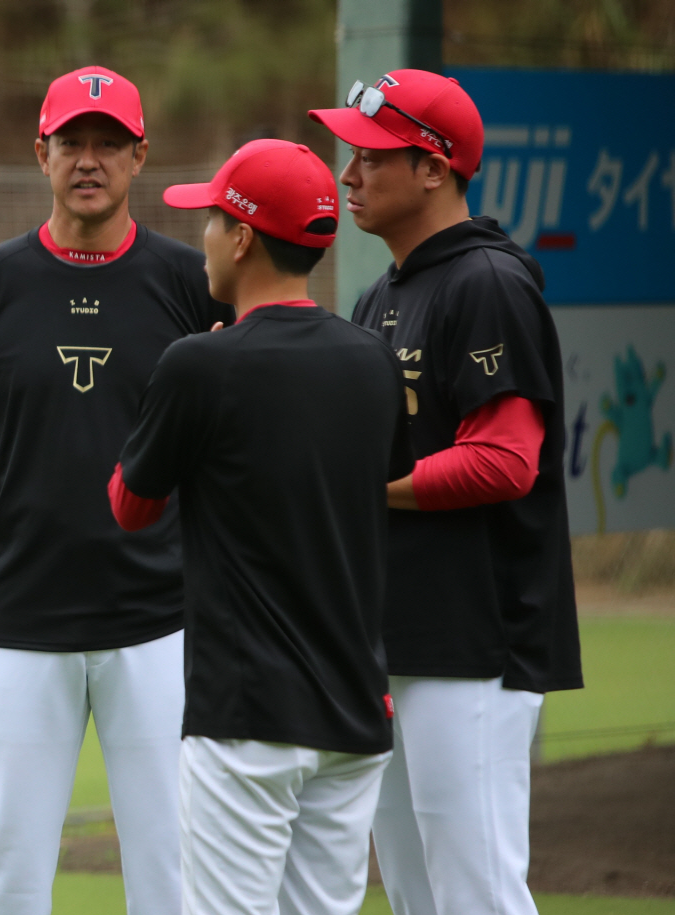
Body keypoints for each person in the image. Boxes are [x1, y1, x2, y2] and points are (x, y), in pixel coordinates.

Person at [0, 65, 233, 915]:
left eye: (109, 144)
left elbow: (223, 441)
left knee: (172, 872)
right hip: (24, 620)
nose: (89, 160)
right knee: (10, 877)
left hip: (164, 621)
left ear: (142, 158)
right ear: (42, 153)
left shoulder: (192, 283)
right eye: (72, 142)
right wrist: (27, 538)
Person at [110, 139, 414, 915]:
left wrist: (179, 410)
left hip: (246, 711)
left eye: (212, 219)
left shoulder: (199, 365)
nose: (202, 236)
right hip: (352, 707)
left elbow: (129, 505)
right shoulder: (372, 358)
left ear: (242, 237)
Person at [308, 69, 583, 915]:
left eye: (371, 156)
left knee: (477, 893)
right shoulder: (379, 291)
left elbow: (505, 459)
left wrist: (362, 489)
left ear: (434, 167)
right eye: (348, 155)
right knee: (421, 895)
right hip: (397, 638)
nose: (348, 174)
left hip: (478, 642)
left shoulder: (488, 282)